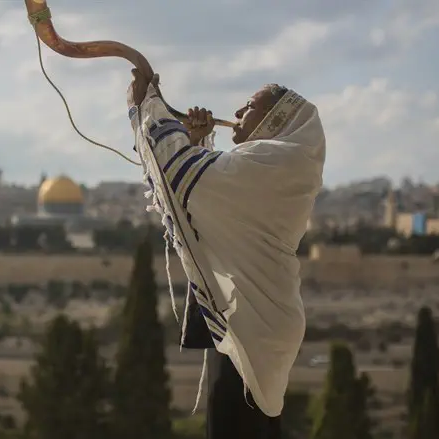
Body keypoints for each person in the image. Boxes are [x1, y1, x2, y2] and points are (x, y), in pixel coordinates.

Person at [127, 69, 326, 439]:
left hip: (254, 323)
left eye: (249, 107)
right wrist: (196, 142)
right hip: (252, 318)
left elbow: (184, 176)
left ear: (274, 120)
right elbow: (210, 200)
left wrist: (147, 106)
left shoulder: (275, 164)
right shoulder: (272, 165)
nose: (236, 111)